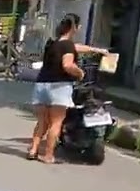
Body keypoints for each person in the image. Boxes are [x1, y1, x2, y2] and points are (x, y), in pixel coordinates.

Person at [27, 13, 107, 164]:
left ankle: (33, 150)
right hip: (59, 86)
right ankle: (48, 155)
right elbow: (68, 65)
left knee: (42, 122)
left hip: (41, 85)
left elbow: (76, 48)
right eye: (79, 26)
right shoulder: (68, 45)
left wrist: (96, 50)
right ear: (74, 27)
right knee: (56, 122)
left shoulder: (53, 43)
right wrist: (80, 73)